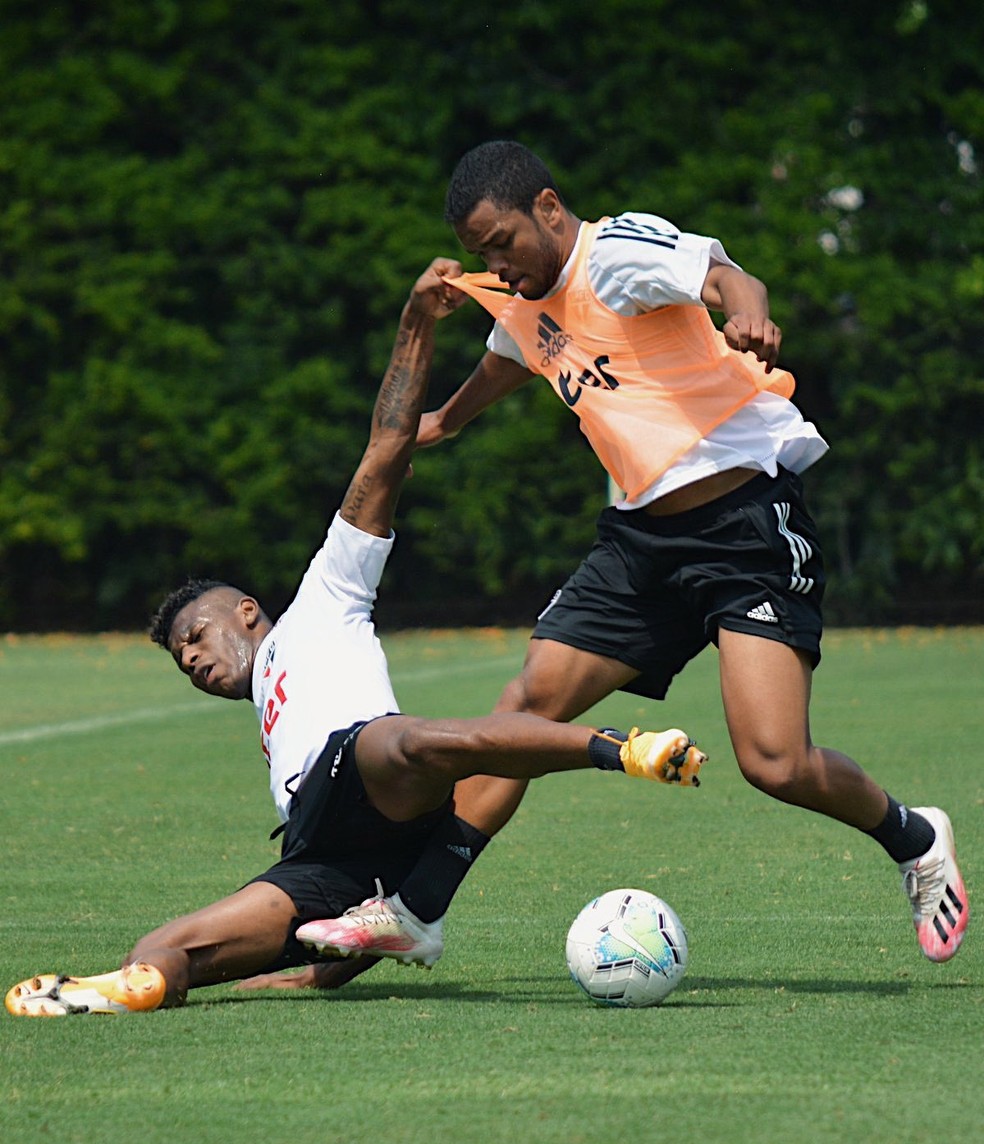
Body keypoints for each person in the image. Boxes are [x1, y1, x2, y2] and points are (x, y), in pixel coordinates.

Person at [306, 139, 968, 970]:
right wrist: (438, 425)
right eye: (483, 256)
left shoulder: (615, 254)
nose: (499, 267)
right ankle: (417, 908)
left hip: (743, 529)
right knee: (530, 702)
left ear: (548, 208)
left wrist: (748, 314)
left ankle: (914, 835)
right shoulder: (520, 293)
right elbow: (517, 354)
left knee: (774, 761)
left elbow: (727, 277)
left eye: (504, 242)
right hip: (640, 543)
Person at [5, 258, 707, 1017]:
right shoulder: (270, 718)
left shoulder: (323, 599)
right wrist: (326, 968)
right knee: (168, 945)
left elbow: (386, 447)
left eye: (195, 635)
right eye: (183, 660)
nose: (193, 658)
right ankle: (115, 990)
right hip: (325, 857)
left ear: (246, 609)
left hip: (381, 782)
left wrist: (415, 324)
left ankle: (623, 747)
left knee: (396, 742)